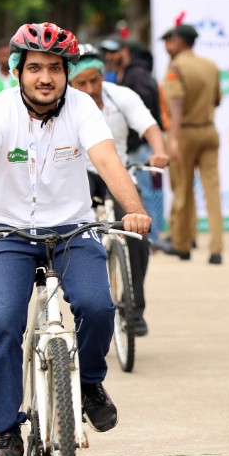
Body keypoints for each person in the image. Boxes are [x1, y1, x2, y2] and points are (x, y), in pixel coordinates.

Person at [0, 22, 150, 456]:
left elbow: (108, 161)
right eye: (34, 67)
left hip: (72, 230)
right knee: (2, 323)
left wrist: (133, 209)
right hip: (7, 235)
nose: (45, 77)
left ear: (66, 72)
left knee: (97, 307)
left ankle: (91, 383)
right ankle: (6, 431)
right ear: (17, 71)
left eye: (55, 68)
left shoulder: (82, 108)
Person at [69, 44, 169, 336]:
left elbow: (150, 127)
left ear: (103, 75)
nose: (90, 88)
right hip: (80, 174)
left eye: (95, 80)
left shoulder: (122, 96)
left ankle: (134, 308)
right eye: (82, 83)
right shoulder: (66, 104)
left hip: (118, 172)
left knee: (139, 233)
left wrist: (159, 152)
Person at [161, 22, 223, 264]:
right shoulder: (211, 65)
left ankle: (182, 244)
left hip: (184, 133)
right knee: (212, 192)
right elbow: (217, 100)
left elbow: (175, 106)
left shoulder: (176, 67)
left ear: (179, 42)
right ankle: (216, 249)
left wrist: (173, 139)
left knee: (183, 190)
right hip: (209, 130)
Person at [99, 36, 168, 252]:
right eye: (107, 53)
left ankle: (152, 238)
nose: (109, 56)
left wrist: (147, 142)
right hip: (126, 147)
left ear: (125, 52)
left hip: (138, 147)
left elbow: (145, 113)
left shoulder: (136, 75)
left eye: (114, 51)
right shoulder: (119, 74)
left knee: (145, 193)